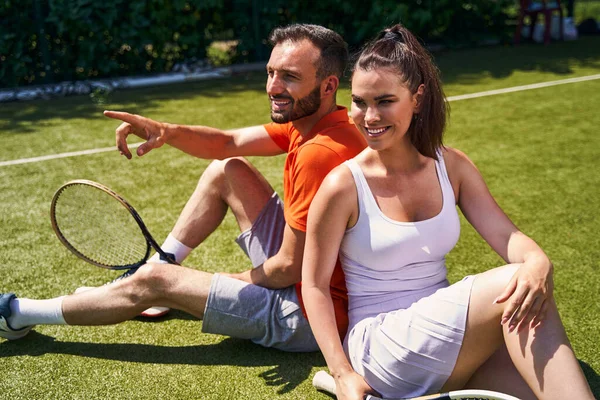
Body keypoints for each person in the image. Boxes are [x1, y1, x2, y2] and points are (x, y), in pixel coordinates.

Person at [0, 24, 366, 352]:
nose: (272, 86)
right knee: (226, 169)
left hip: (309, 316)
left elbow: (288, 269)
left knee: (156, 280)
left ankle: (16, 315)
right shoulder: (322, 121)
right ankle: (161, 267)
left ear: (328, 85)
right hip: (312, 277)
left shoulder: (319, 153)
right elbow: (228, 143)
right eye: (270, 72)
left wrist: (200, 283)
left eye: (289, 76)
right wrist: (164, 131)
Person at [301, 24, 594, 400]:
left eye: (385, 101)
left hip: (444, 342)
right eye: (359, 101)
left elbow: (507, 237)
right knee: (515, 284)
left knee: (547, 375)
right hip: (380, 347)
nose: (369, 116)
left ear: (418, 98)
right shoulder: (342, 185)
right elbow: (314, 285)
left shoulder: (450, 166)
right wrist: (342, 374)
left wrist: (538, 260)